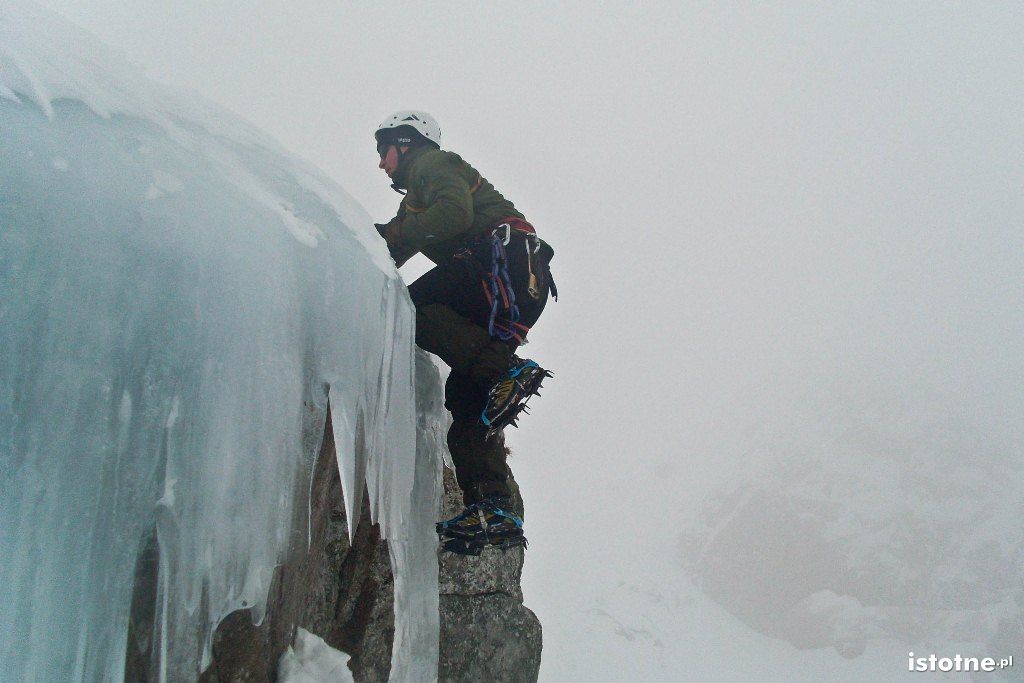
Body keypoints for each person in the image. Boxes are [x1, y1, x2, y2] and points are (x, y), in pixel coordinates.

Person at [373, 110, 556, 554]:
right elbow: (398, 242)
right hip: (515, 287)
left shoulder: (433, 164)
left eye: (384, 151)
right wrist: (377, 243)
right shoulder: (417, 200)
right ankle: (492, 505)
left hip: (501, 265)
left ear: (405, 142)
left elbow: (453, 215)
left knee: (411, 308)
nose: (381, 163)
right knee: (467, 398)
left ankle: (507, 371)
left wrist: (392, 235)